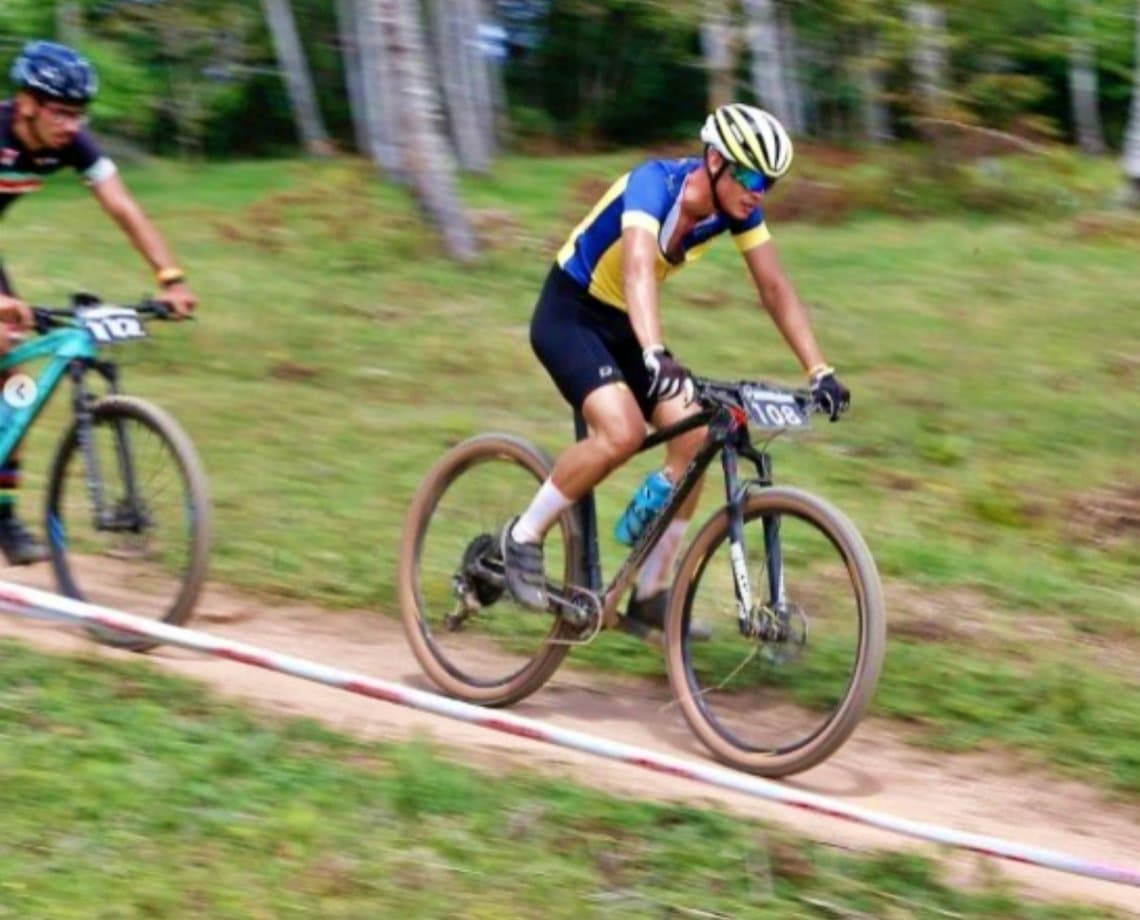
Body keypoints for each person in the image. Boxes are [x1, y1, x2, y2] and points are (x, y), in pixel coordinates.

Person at [500, 103, 850, 632]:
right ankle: (520, 538)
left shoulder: (737, 210)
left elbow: (774, 288)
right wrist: (654, 350)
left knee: (694, 440)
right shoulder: (654, 186)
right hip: (571, 314)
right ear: (714, 160)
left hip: (626, 325)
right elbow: (639, 268)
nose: (758, 192)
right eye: (750, 175)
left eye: (769, 183)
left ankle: (650, 592)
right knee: (619, 432)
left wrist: (819, 369)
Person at [0, 40, 198, 565]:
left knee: (13, 382)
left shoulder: (71, 144)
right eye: (61, 112)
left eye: (79, 114)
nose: (72, 125)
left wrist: (170, 276)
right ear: (26, 104)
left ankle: (1, 513)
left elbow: (123, 206)